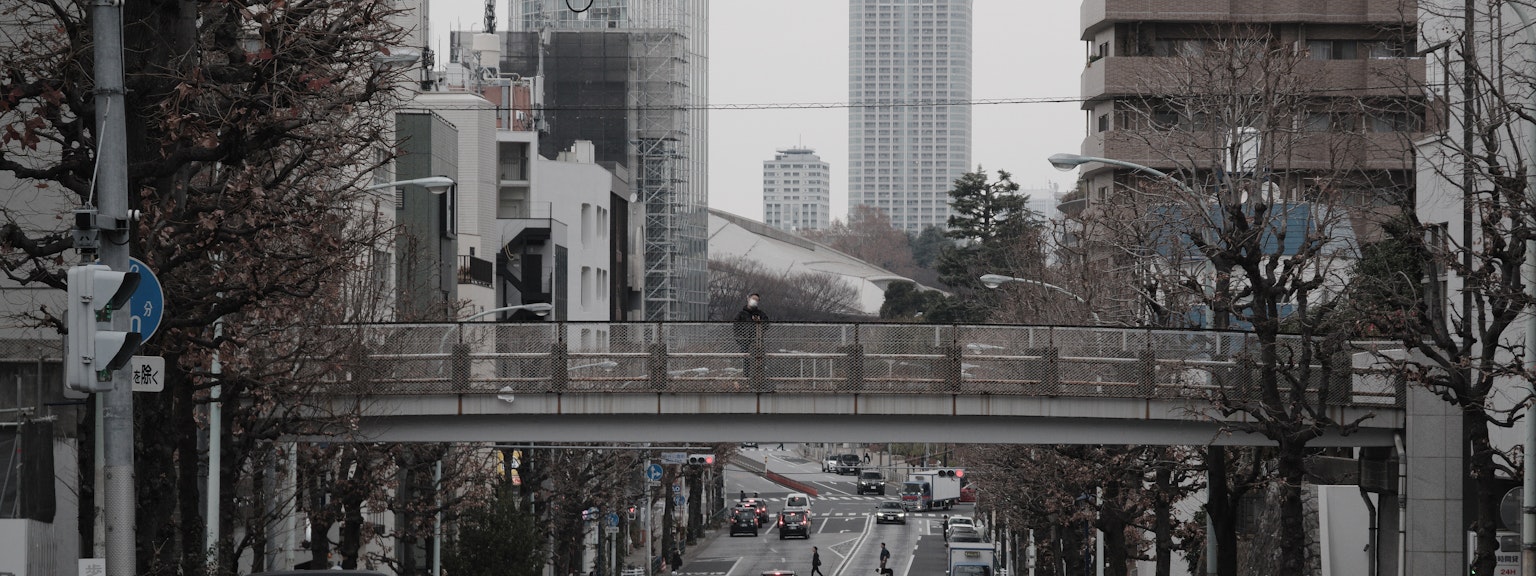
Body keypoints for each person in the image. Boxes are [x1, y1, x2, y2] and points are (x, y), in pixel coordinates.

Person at [733, 293, 769, 377]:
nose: (755, 301)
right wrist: (740, 340)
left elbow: (766, 324)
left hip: (757, 343)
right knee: (746, 361)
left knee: (759, 361)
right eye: (753, 298)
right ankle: (746, 379)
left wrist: (759, 322)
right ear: (748, 299)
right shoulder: (741, 314)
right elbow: (736, 328)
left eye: (757, 300)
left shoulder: (760, 314)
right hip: (744, 342)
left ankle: (758, 379)